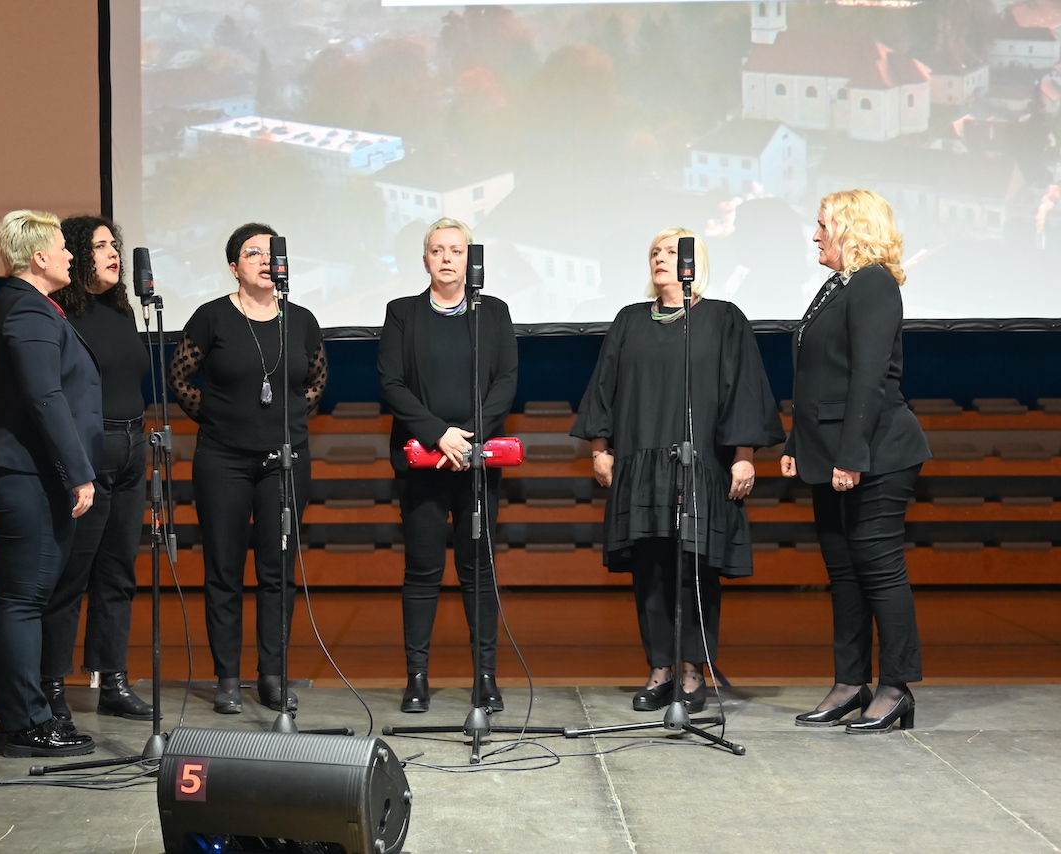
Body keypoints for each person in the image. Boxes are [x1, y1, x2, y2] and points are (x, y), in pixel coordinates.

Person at [571, 227, 784, 714]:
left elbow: (742, 388)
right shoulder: (630, 320)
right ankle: (659, 669)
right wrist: (600, 448)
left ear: (693, 262)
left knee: (695, 568)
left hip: (699, 464)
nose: (661, 258)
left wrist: (744, 454)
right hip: (640, 463)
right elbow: (604, 387)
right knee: (650, 569)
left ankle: (692, 671)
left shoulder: (722, 318)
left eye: (671, 251)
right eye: (655, 252)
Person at [782, 189, 930, 733]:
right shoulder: (838, 285)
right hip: (831, 452)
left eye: (823, 225)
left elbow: (868, 376)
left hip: (877, 452)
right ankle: (850, 682)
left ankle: (896, 687)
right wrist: (797, 444)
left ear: (852, 229)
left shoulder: (874, 284)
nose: (815, 235)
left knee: (879, 569)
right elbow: (817, 377)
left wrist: (850, 457)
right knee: (843, 573)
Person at [167, 223, 327, 714]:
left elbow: (316, 381)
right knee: (224, 570)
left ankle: (272, 677)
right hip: (223, 460)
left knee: (278, 572)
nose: (264, 261)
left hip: (285, 461)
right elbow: (180, 377)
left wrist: (285, 421)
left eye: (271, 253)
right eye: (252, 253)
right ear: (234, 267)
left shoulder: (301, 319)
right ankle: (228, 679)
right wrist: (219, 420)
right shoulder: (210, 317)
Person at [0, 210, 102, 757]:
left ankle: (19, 716)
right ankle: (25, 723)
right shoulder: (27, 309)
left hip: (31, 470)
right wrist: (80, 472)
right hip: (26, 472)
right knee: (23, 599)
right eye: (63, 248)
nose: (72, 255)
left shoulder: (32, 306)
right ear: (40, 257)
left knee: (23, 597)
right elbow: (44, 397)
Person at [378, 217, 518, 714]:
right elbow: (392, 383)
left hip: (477, 462)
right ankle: (417, 678)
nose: (446, 258)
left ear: (469, 260)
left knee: (478, 570)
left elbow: (505, 380)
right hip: (423, 461)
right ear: (425, 260)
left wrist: (469, 439)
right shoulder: (402, 313)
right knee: (423, 569)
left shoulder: (493, 312)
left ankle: (486, 677)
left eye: (456, 250)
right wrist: (439, 435)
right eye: (437, 250)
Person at [39, 215, 154, 725]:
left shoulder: (121, 310)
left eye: (115, 245)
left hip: (132, 446)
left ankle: (113, 680)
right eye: (101, 246)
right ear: (78, 254)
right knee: (73, 574)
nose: (113, 254)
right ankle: (51, 685)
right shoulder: (62, 314)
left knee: (118, 571)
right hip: (89, 449)